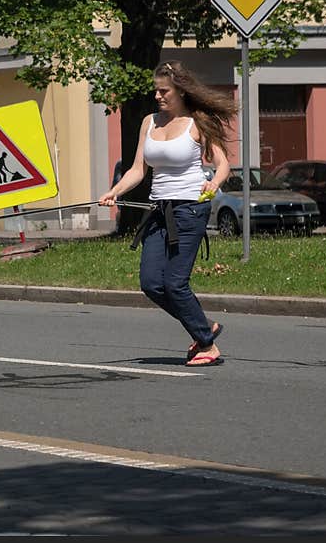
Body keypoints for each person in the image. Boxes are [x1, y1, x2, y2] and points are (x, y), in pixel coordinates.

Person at [99, 60, 237, 367]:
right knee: (150, 283)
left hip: (190, 210)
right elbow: (138, 169)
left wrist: (213, 184)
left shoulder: (196, 123)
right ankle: (204, 327)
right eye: (156, 91)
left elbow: (223, 164)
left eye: (164, 91)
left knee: (175, 284)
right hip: (158, 211)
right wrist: (115, 192)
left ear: (181, 91)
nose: (158, 96)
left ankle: (207, 344)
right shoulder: (150, 122)